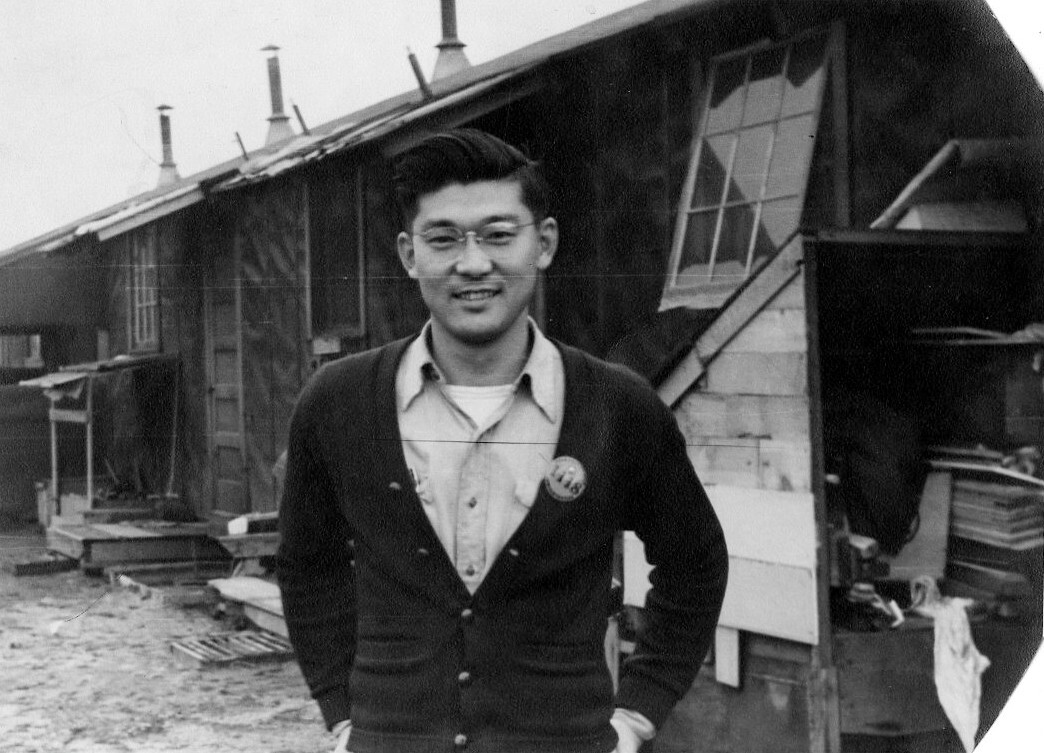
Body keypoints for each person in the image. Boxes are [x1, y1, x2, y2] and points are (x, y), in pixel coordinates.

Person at [276, 128, 728, 753]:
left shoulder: (619, 407)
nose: (473, 264)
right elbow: (307, 566)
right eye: (444, 239)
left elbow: (695, 564)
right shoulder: (338, 402)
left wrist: (637, 715)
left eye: (497, 234)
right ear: (409, 254)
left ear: (543, 243)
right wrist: (342, 713)